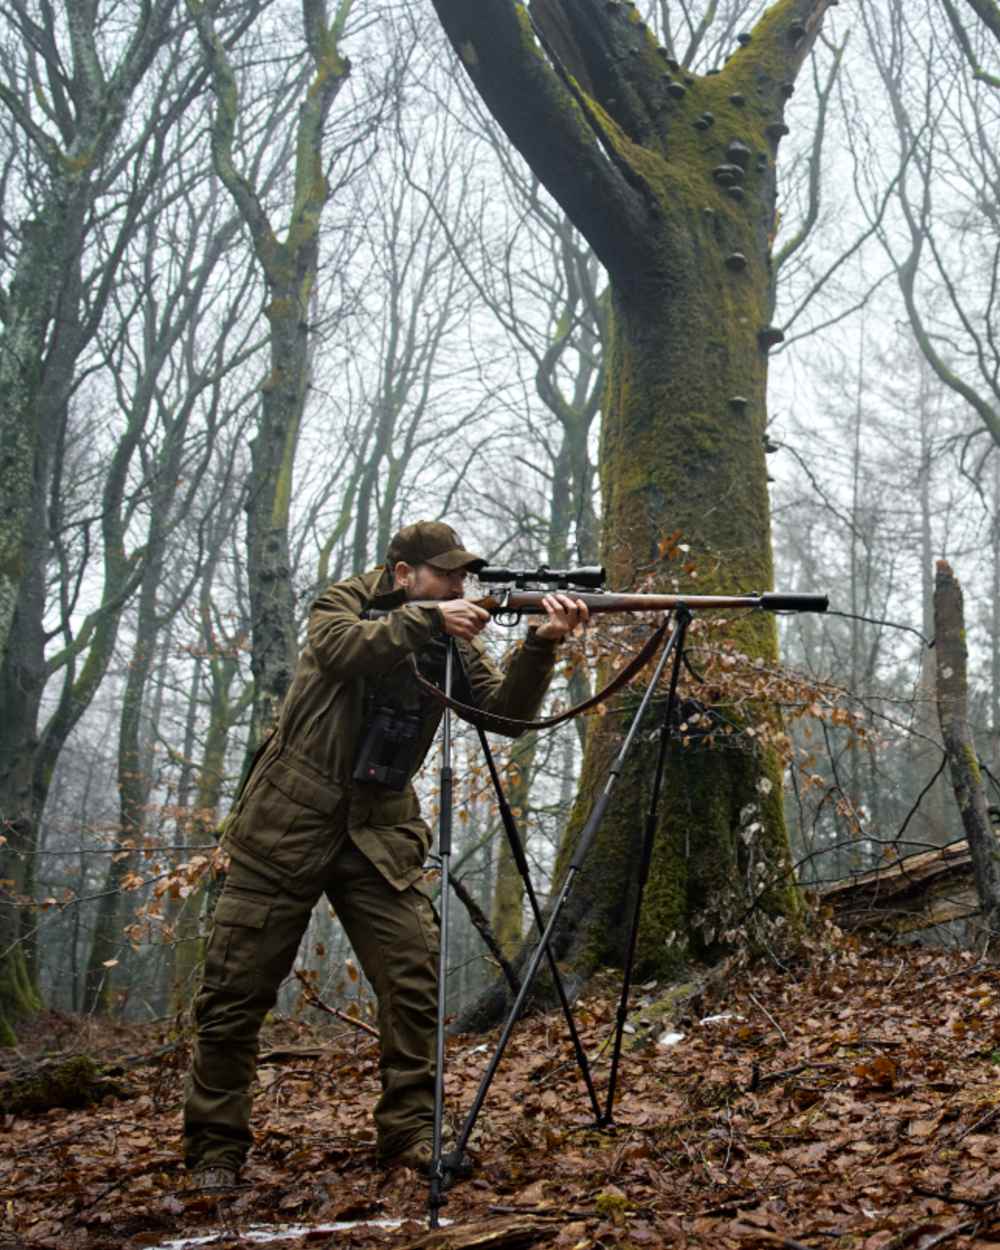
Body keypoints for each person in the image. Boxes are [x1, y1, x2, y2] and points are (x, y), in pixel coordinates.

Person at [182, 521, 588, 1187]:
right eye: (447, 575)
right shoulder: (343, 603)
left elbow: (504, 717)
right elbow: (343, 648)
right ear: (404, 575)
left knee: (412, 986)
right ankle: (214, 1153)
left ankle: (411, 1133)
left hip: (379, 835)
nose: (462, 587)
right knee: (233, 996)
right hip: (283, 827)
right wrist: (430, 621)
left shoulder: (449, 635)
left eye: (465, 577)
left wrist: (541, 647)